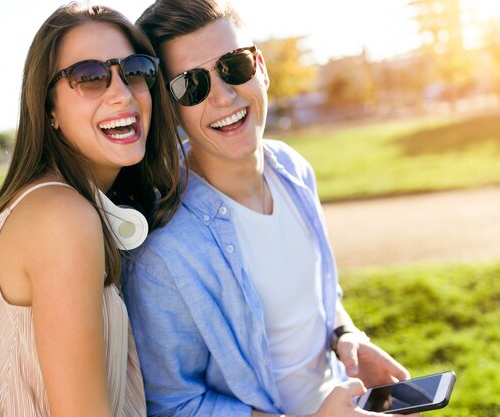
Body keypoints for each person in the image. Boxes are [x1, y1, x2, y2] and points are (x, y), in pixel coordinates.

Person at [121, 1, 416, 417]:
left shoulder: (294, 169)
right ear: (171, 109)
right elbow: (173, 405)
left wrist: (345, 335)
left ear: (260, 66)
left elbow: (318, 295)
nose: (224, 96)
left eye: (234, 66)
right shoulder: (165, 250)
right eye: (192, 85)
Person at [0, 3, 183, 416]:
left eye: (135, 71)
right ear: (49, 110)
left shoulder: (42, 205)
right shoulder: (62, 217)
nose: (121, 92)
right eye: (90, 77)